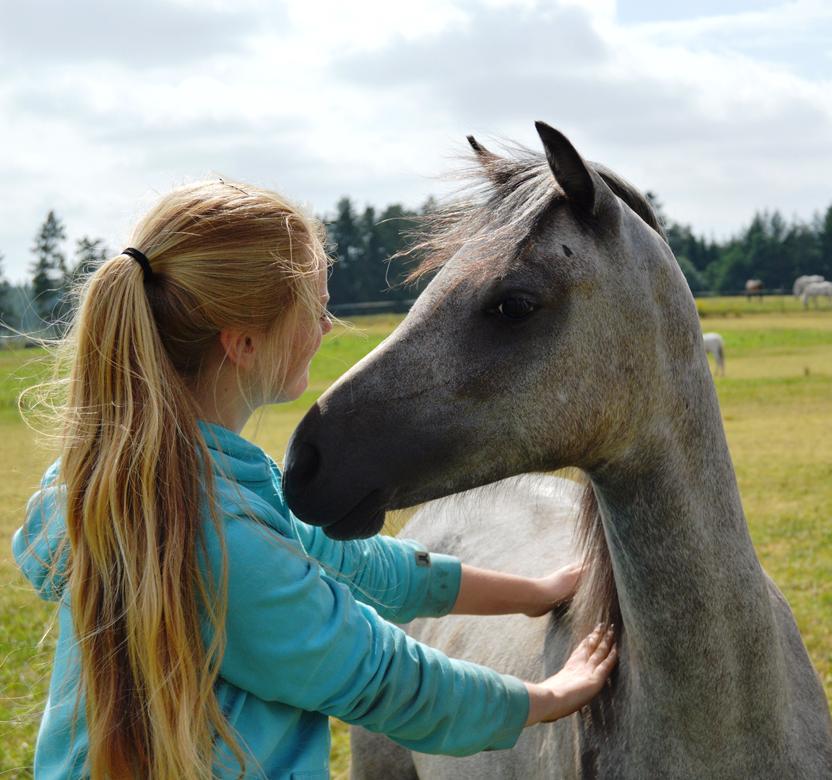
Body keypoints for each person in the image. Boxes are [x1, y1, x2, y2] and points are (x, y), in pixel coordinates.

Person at [12, 180, 617, 779]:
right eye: (314, 307)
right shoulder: (226, 540)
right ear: (245, 342)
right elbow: (380, 678)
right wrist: (548, 697)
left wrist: (533, 592)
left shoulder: (125, 482)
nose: (327, 327)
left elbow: (362, 563)